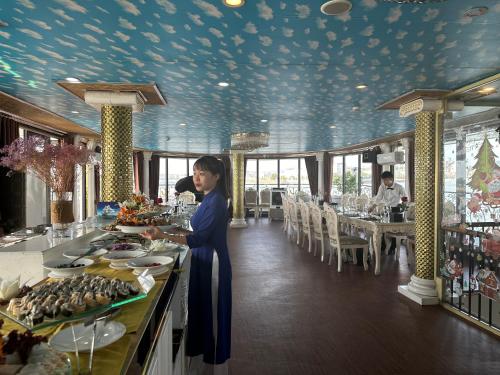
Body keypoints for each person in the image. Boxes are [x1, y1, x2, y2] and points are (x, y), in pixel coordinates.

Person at [141, 156, 231, 375]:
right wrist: (167, 233)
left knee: (213, 313)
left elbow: (198, 239)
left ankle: (218, 367)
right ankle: (201, 363)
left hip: (212, 263)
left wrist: (164, 235)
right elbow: (193, 233)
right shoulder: (207, 198)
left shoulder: (217, 201)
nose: (196, 178)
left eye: (202, 173)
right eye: (195, 172)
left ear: (216, 176)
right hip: (202, 258)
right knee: (201, 311)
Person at [372, 171, 406, 254]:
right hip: (386, 208)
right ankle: (383, 245)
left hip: (396, 210)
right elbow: (378, 198)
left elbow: (404, 197)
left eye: (386, 180)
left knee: (394, 228)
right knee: (382, 226)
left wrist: (403, 206)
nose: (384, 182)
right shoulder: (382, 187)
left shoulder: (399, 187)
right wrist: (372, 207)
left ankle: (393, 247)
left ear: (391, 179)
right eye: (383, 180)